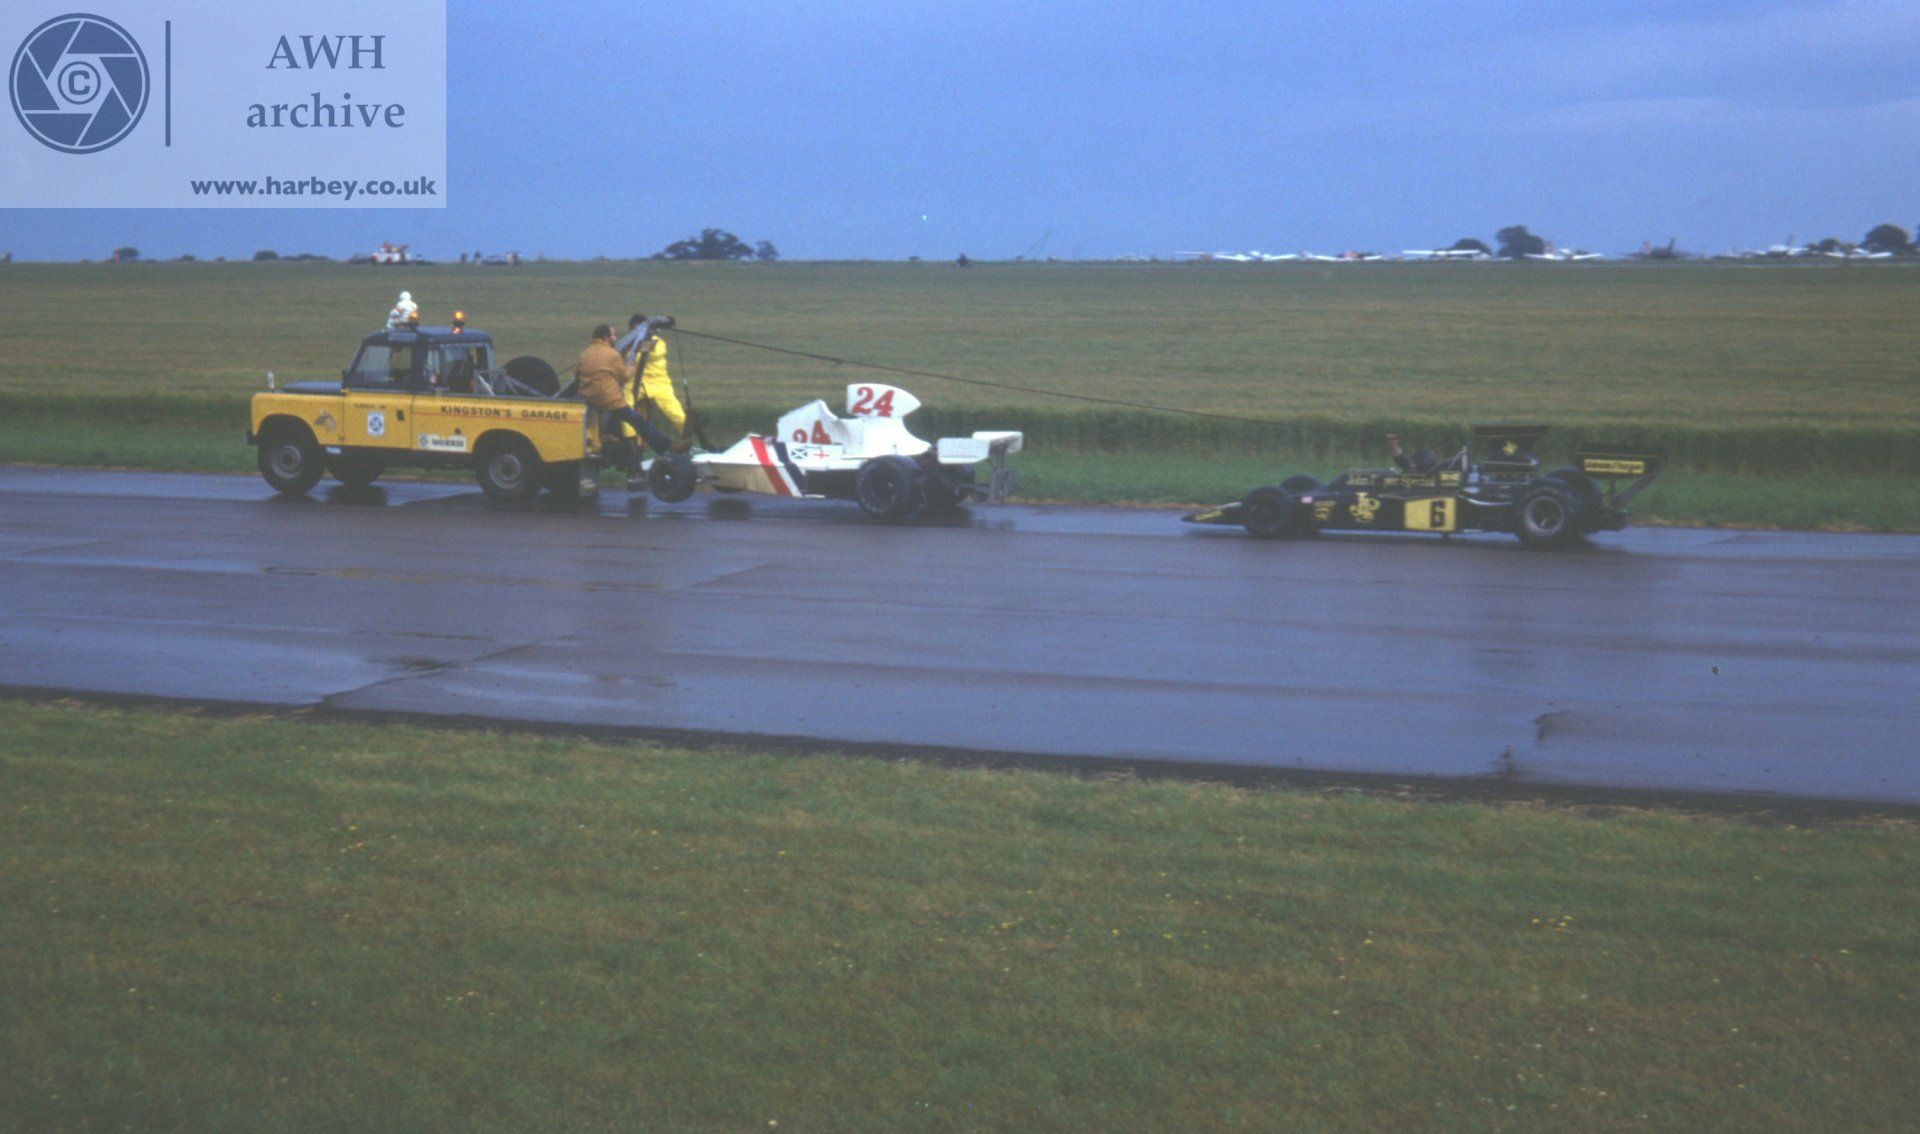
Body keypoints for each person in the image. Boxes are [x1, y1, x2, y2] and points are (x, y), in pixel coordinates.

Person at [576, 324, 676, 472]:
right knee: (639, 422)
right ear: (605, 337)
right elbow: (623, 377)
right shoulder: (612, 354)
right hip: (611, 399)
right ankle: (666, 447)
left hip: (589, 399)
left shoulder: (585, 354)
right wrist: (630, 369)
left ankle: (609, 443)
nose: (616, 338)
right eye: (613, 335)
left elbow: (577, 374)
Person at [613, 314, 688, 448]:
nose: (634, 333)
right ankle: (631, 439)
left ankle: (687, 436)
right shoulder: (630, 344)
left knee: (674, 411)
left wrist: (634, 347)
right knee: (624, 405)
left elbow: (644, 355)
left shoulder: (658, 342)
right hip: (635, 382)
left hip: (659, 383)